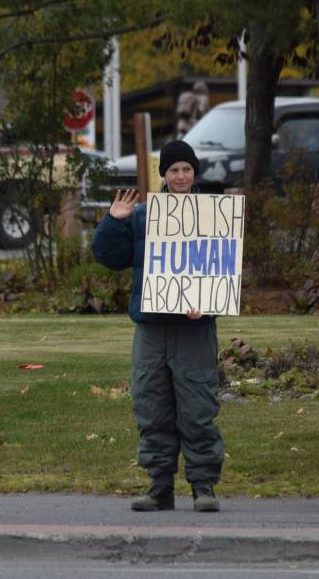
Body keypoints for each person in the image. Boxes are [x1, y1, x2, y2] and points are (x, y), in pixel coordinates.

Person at [91, 140, 224, 512]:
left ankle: (203, 487)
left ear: (194, 173)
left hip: (195, 328)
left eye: (186, 169)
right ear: (163, 174)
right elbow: (110, 257)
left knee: (198, 408)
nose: (180, 176)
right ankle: (159, 487)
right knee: (151, 406)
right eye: (173, 170)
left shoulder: (214, 214)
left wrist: (208, 302)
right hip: (151, 328)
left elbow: (223, 268)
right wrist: (113, 222)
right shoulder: (142, 216)